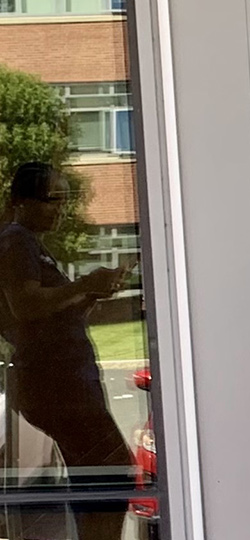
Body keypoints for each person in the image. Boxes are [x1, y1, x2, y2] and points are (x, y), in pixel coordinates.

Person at [0, 161, 132, 540]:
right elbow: (25, 305)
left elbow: (47, 314)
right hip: (56, 382)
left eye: (63, 200)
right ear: (21, 201)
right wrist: (83, 284)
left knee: (96, 474)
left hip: (62, 379)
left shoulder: (26, 242)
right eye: (51, 199)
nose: (59, 208)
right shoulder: (15, 239)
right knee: (112, 471)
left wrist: (91, 292)